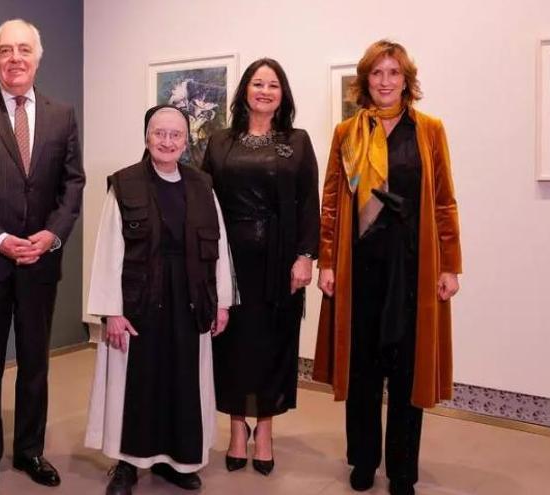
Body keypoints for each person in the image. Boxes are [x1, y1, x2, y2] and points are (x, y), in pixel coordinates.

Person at [312, 40, 462, 495]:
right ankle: (362, 460)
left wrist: (450, 265)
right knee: (361, 370)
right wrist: (327, 261)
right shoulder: (347, 133)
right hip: (359, 270)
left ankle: (401, 470)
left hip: (412, 269)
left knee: (405, 371)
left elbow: (444, 201)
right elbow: (333, 203)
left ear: (406, 80)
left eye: (393, 72)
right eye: (377, 73)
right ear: (365, 80)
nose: (385, 81)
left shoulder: (429, 130)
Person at [0, 18, 84, 495]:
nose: (15, 58)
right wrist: (1, 239)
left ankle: (29, 451)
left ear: (37, 58)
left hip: (41, 261)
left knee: (35, 363)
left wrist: (52, 235)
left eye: (24, 49)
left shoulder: (61, 113)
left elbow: (73, 183)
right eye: (7, 50)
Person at [85, 105, 233, 495]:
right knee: (138, 383)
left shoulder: (203, 185)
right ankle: (128, 464)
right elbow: (108, 251)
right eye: (159, 133)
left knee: (183, 381)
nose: (167, 141)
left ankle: (179, 461)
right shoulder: (125, 184)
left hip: (189, 299)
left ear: (186, 140)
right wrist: (111, 312)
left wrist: (221, 302)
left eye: (175, 135)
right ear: (147, 137)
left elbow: (217, 247)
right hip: (139, 301)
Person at [202, 58, 319, 476]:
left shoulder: (297, 142)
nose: (265, 90)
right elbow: (204, 205)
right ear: (244, 92)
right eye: (257, 83)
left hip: (279, 262)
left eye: (273, 84)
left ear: (282, 94)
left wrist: (306, 256)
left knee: (273, 346)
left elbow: (309, 202)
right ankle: (236, 428)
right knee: (230, 345)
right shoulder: (218, 143)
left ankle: (265, 430)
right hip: (228, 261)